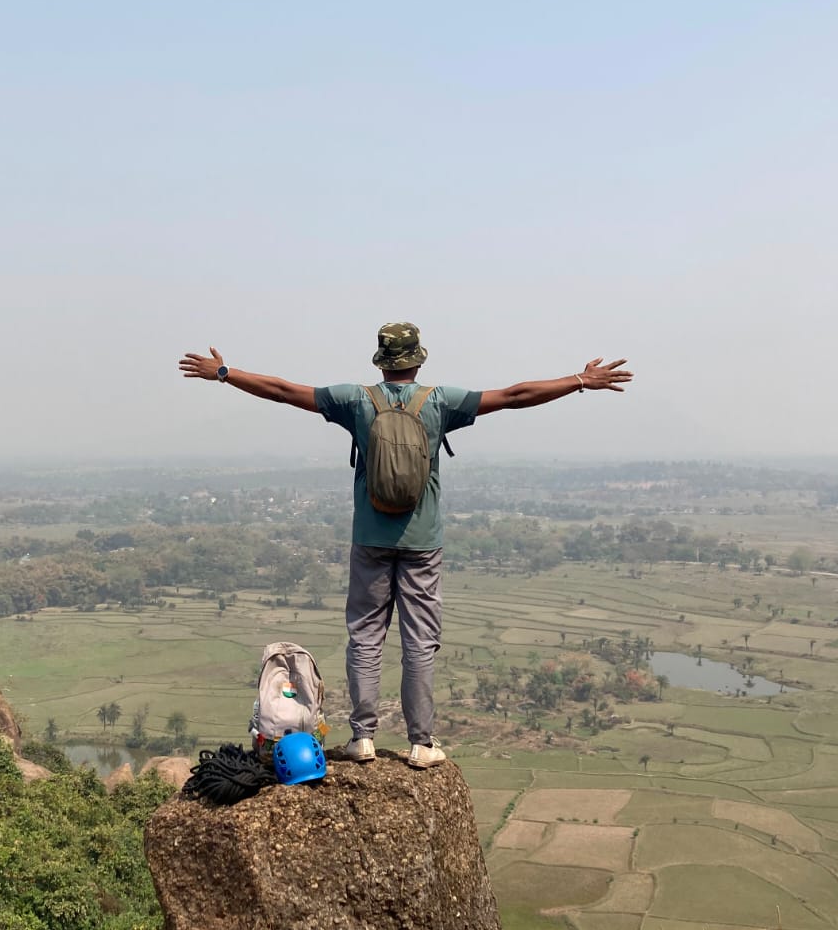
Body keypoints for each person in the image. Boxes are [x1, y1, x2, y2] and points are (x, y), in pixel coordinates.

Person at [179, 323, 632, 768]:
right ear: (417, 359)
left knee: (365, 637)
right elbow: (515, 396)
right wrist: (580, 381)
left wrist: (224, 373)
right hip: (422, 543)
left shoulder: (354, 400)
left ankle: (363, 738)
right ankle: (421, 742)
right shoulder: (441, 402)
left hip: (370, 539)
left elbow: (281, 390)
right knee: (419, 641)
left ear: (381, 360)